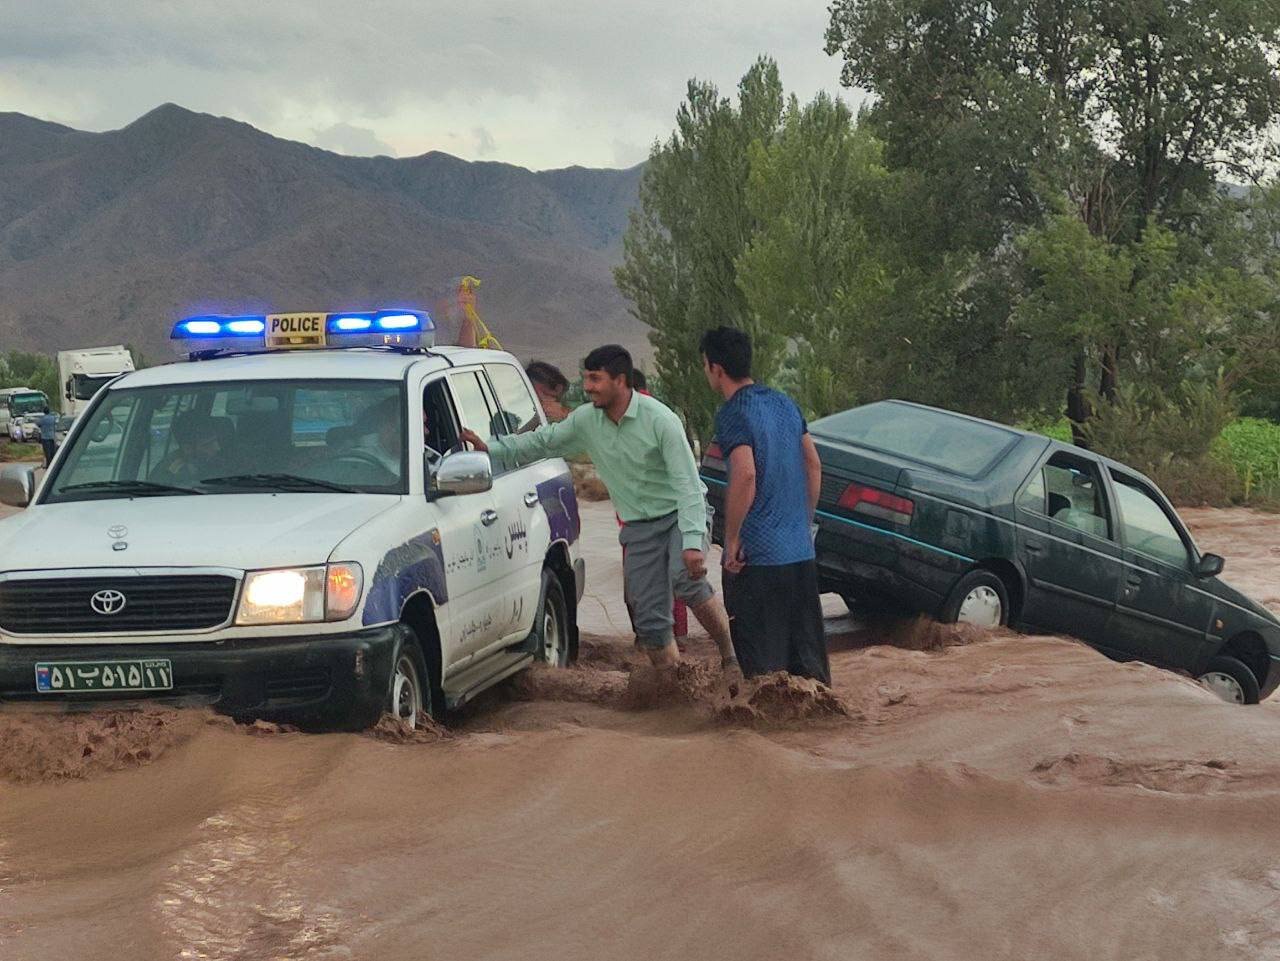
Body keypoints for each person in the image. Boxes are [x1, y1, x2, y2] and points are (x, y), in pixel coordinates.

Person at [462, 344, 737, 672]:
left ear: (620, 381)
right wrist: (490, 449)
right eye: (586, 378)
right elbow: (544, 442)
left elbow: (689, 488)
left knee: (685, 579)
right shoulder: (587, 421)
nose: (588, 387)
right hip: (638, 528)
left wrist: (692, 541)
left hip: (680, 515)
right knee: (648, 621)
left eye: (595, 379)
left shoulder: (660, 420)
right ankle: (675, 685)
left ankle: (730, 655)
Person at [701, 326, 830, 684]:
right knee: (809, 672)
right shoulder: (785, 403)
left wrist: (731, 539)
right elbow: (814, 465)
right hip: (801, 556)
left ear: (716, 368)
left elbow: (745, 475)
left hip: (756, 562)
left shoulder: (732, 413)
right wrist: (803, 523)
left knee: (764, 678)